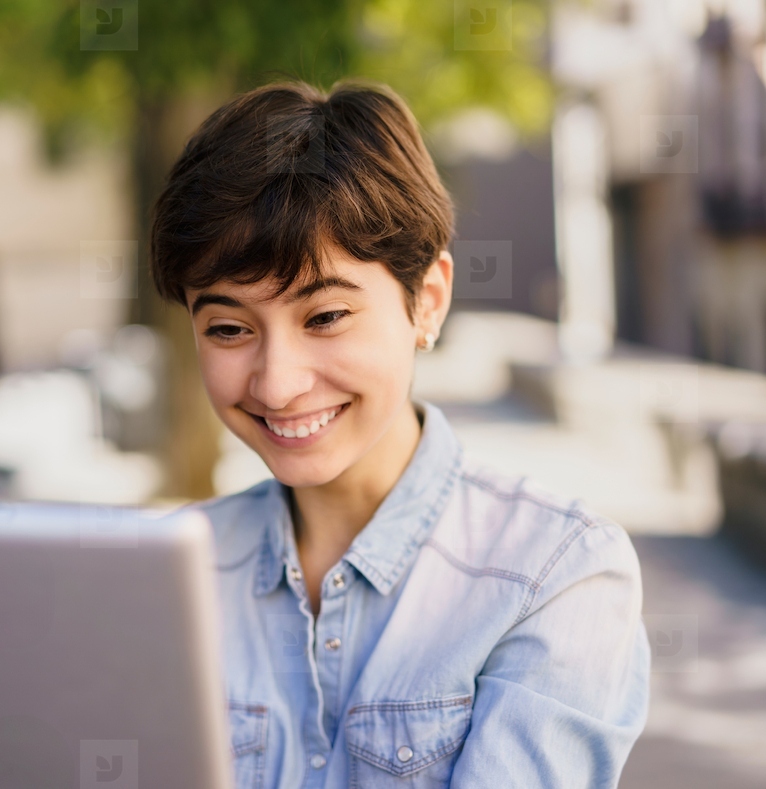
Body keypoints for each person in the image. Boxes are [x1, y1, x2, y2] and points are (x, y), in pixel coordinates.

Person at [151, 81, 650, 788]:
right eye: (229, 328)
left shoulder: (556, 573)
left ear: (429, 301)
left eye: (324, 316)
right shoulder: (165, 578)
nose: (276, 383)